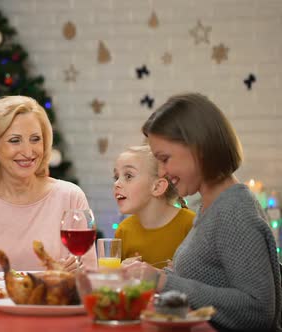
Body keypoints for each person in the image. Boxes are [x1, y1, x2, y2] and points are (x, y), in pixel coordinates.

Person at [139, 92, 281, 331]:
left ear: (199, 148)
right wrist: (156, 274)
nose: (162, 172)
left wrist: (163, 281)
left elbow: (258, 310)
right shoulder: (212, 205)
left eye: (165, 158)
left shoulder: (233, 210)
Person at [0, 95, 96, 280]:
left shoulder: (70, 197)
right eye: (15, 140)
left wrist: (77, 271)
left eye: (35, 139)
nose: (28, 152)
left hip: (53, 304)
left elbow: (90, 275)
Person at [113, 145, 195, 269]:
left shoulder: (192, 225)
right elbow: (110, 284)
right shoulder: (123, 231)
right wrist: (119, 271)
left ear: (157, 187)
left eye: (128, 176)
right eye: (116, 177)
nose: (116, 183)